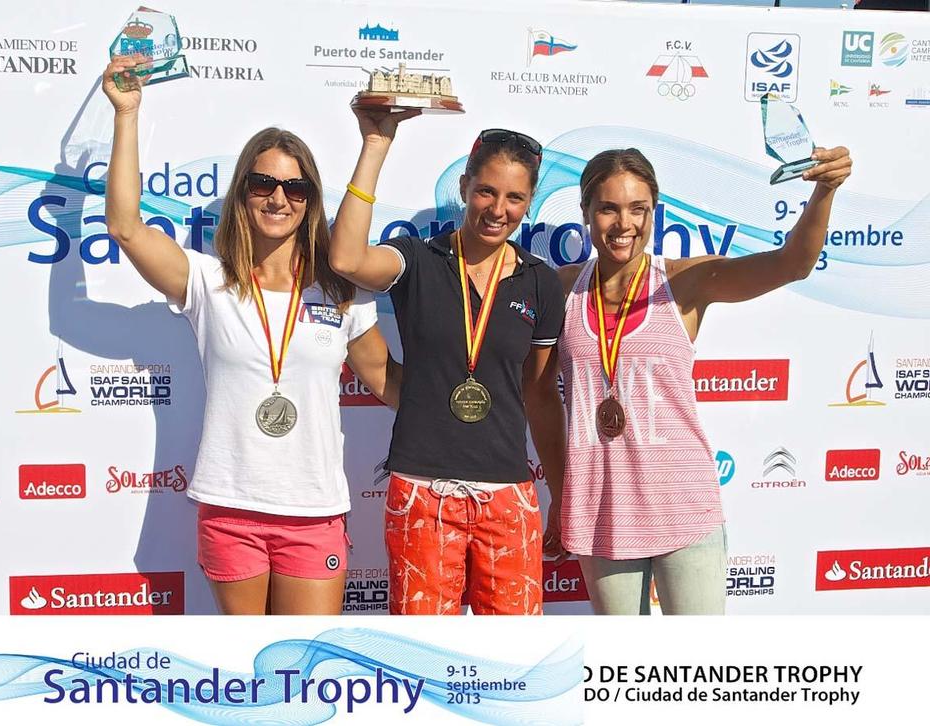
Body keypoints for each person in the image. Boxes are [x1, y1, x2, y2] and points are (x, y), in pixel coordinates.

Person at [101, 55, 399, 615]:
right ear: (243, 192)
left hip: (314, 511)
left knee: (304, 671)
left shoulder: (341, 291)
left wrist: (476, 390)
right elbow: (125, 226)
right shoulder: (207, 282)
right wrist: (127, 114)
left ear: (311, 200)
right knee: (250, 674)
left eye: (295, 187)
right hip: (230, 508)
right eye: (263, 183)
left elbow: (387, 380)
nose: (278, 198)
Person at [558, 146, 852, 615]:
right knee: (623, 672)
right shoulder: (561, 289)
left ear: (655, 212)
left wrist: (824, 190)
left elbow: (792, 263)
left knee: (698, 670)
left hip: (684, 507)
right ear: (586, 213)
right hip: (602, 513)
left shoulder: (685, 282)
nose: (624, 223)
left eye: (639, 209)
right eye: (608, 208)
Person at [328, 110, 567, 615]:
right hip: (422, 493)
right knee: (423, 654)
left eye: (515, 197)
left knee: (513, 661)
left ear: (529, 202)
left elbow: (541, 394)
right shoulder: (417, 260)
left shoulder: (540, 282)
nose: (498, 209)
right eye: (486, 191)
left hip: (507, 497)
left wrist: (563, 494)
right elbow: (347, 260)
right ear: (464, 186)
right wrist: (376, 143)